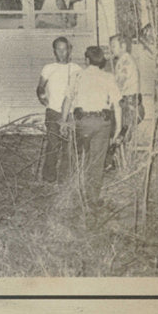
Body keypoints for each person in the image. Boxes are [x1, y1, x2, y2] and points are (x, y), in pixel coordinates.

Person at [61, 46, 122, 206]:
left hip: (82, 122)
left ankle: (76, 193)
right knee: (97, 161)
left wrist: (63, 121)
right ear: (101, 61)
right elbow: (117, 105)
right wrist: (118, 128)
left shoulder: (77, 76)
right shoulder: (108, 77)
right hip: (102, 123)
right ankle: (93, 198)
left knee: (79, 157)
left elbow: (67, 100)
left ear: (86, 60)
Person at [36, 37, 82, 182]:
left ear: (69, 50)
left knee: (69, 146)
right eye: (58, 49)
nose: (62, 53)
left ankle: (65, 178)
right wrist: (42, 97)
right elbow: (40, 87)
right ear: (54, 51)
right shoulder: (48, 68)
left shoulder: (76, 68)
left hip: (70, 113)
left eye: (64, 49)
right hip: (53, 112)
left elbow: (81, 90)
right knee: (53, 144)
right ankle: (49, 176)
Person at [105, 34, 142, 171]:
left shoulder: (125, 62)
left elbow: (118, 85)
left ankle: (120, 166)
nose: (111, 49)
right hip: (129, 102)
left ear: (123, 46)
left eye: (113, 46)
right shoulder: (124, 60)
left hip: (127, 104)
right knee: (121, 135)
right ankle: (120, 165)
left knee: (120, 134)